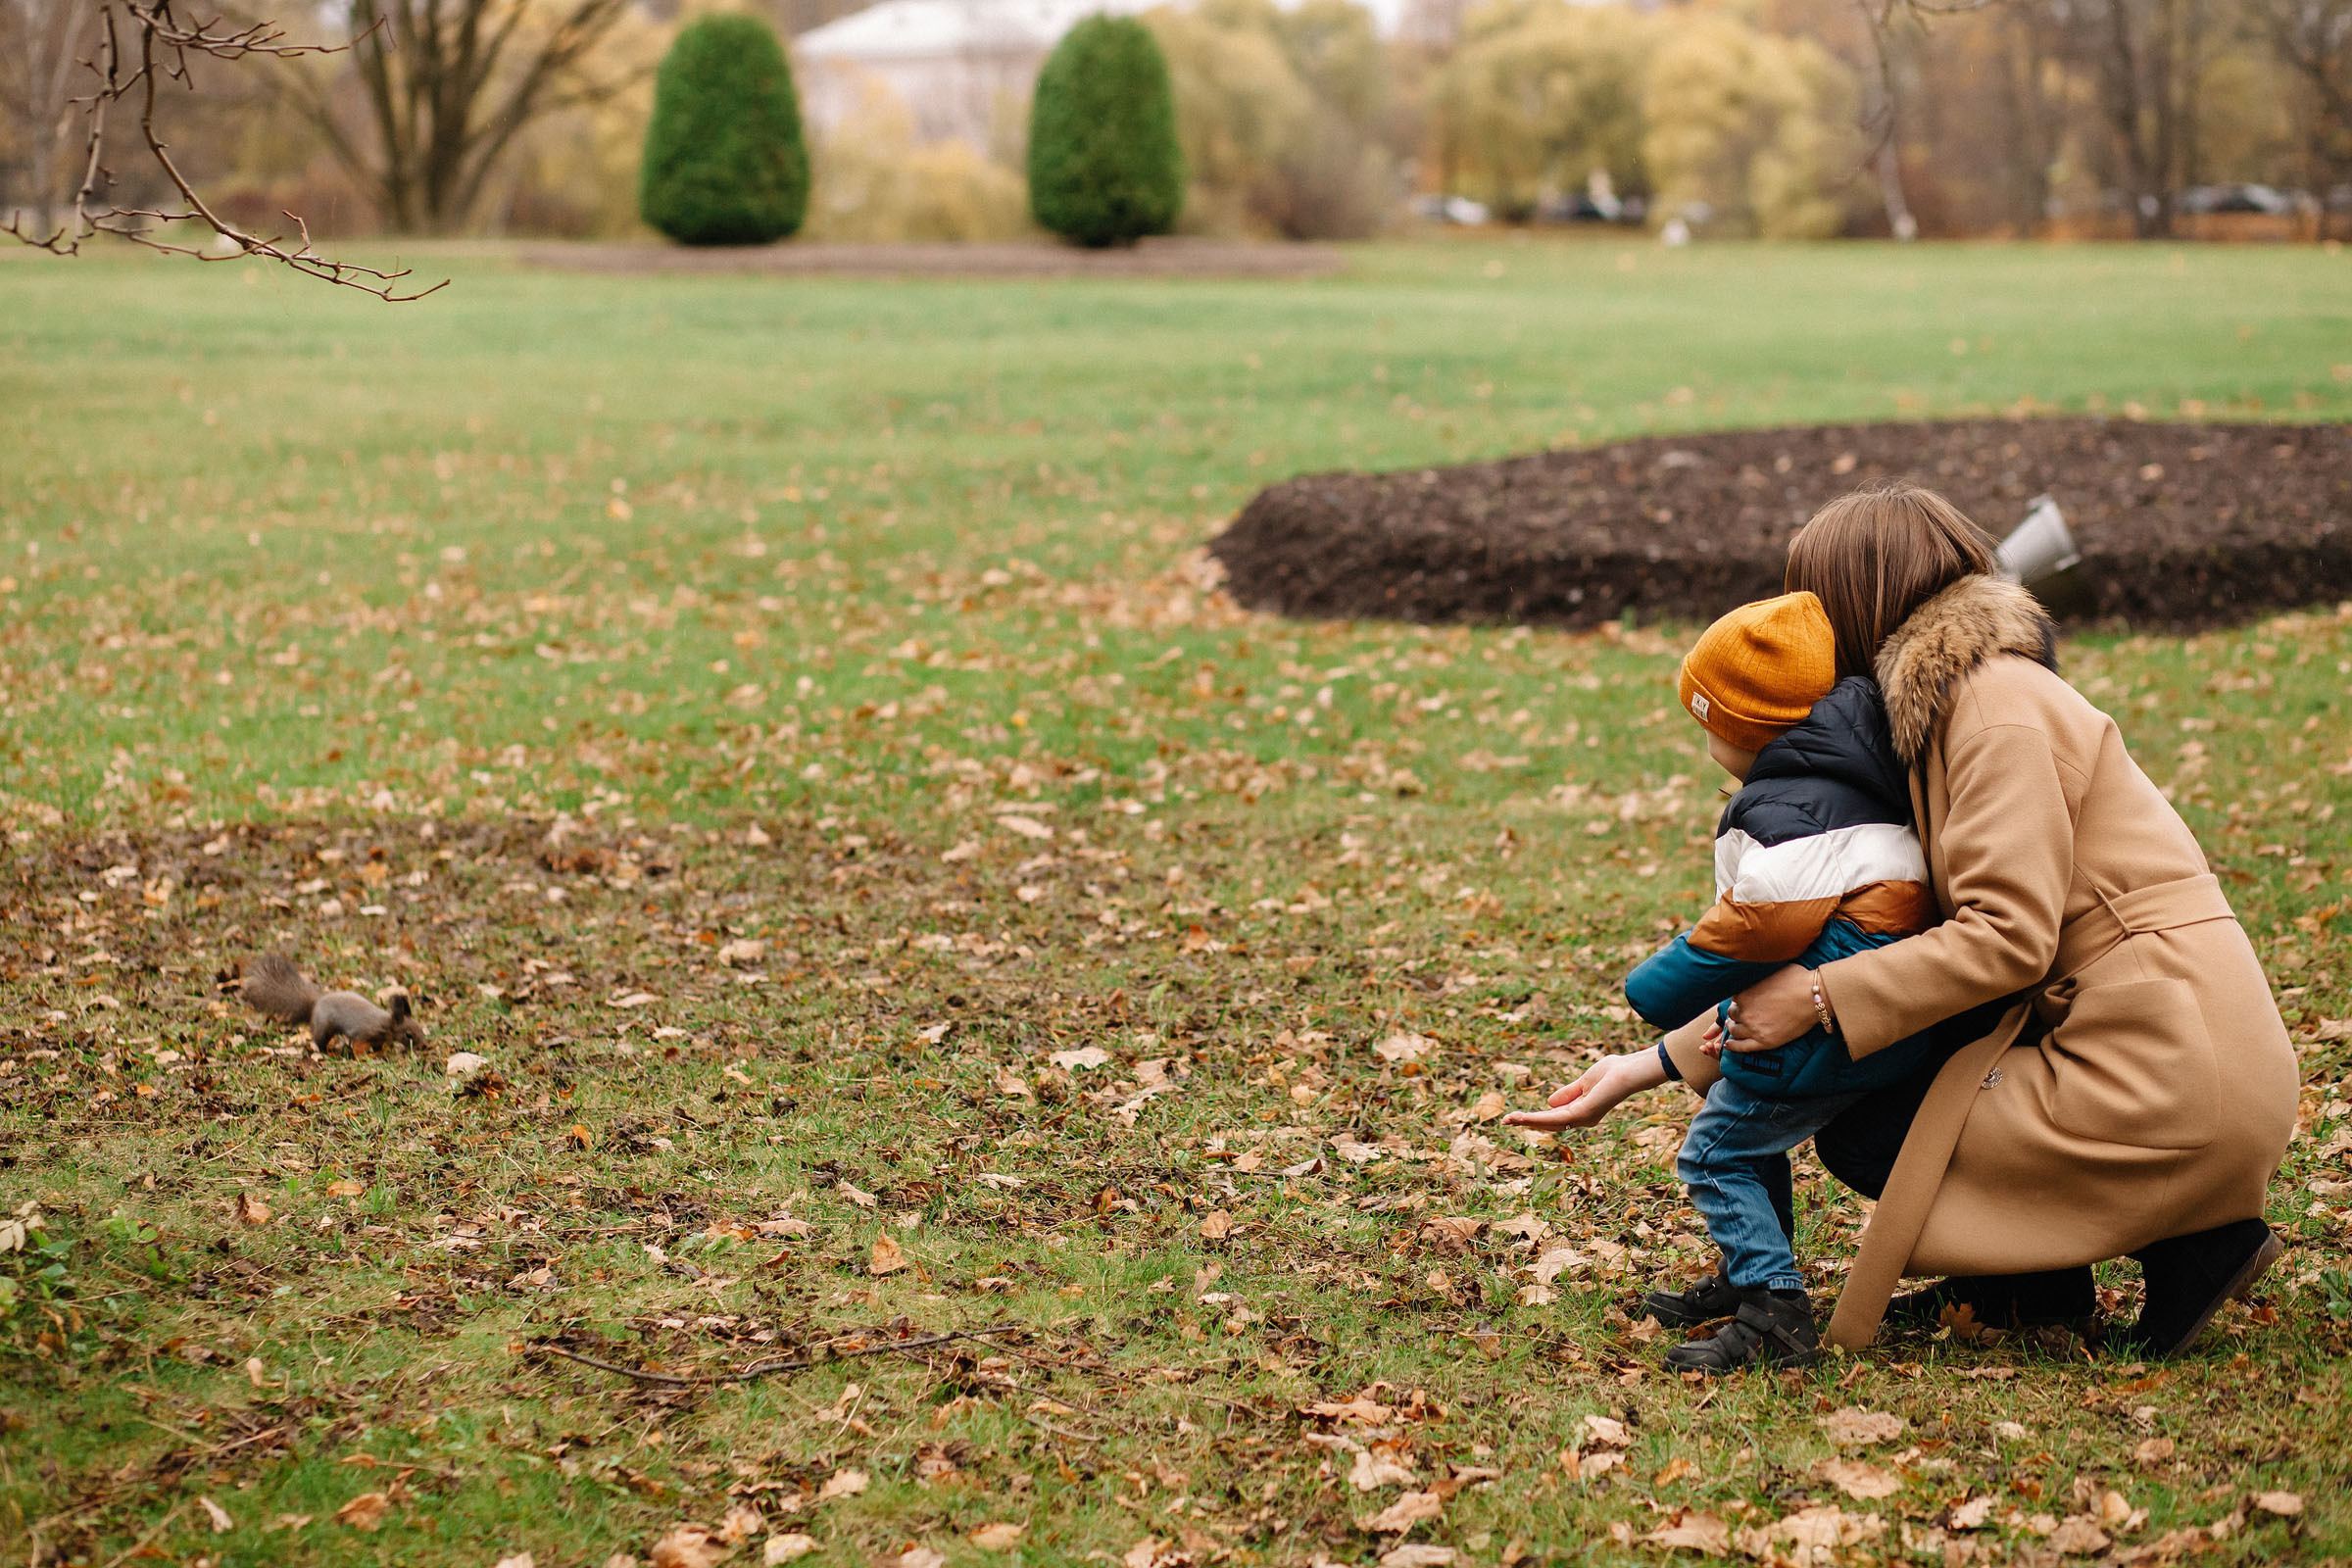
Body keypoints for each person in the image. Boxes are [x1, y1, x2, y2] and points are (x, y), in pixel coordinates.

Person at [1704, 481, 2300, 1357]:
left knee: (1867, 1119)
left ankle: (2165, 1248)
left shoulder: (1992, 707)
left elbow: (2006, 937)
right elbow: (1901, 938)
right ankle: (2044, 1280)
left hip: (2167, 1067)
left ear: (1852, 608)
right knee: (1881, 1053)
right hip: (2149, 1037)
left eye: (1812, 607)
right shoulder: (1951, 704)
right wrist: (1668, 1054)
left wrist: (1821, 999)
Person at [1506, 591, 1986, 1371]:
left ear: (1739, 727)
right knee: (1740, 1125)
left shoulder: (1788, 806)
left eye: (1706, 725)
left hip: (1831, 1024)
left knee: (1715, 1153)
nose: (1703, 742)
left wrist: (1656, 987)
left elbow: (1759, 928)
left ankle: (1774, 1310)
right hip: (1876, 1010)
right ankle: (1747, 1270)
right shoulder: (1853, 780)